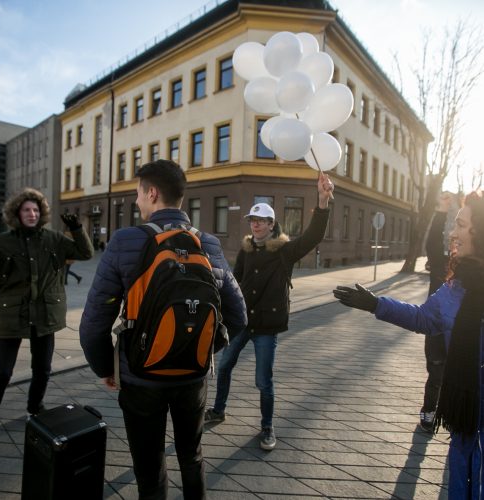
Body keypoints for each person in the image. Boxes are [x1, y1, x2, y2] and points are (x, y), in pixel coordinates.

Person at [79, 160, 247, 500]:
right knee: (191, 456)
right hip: (193, 376)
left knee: (150, 466)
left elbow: (93, 324)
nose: (137, 201)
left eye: (138, 193)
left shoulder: (125, 241)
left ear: (152, 193)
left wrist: (106, 368)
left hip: (141, 377)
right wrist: (196, 347)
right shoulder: (209, 244)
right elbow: (238, 315)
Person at [333, 191, 484, 498]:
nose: (454, 233)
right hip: (466, 416)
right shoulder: (455, 287)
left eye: (461, 224)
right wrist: (376, 304)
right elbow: (422, 318)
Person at [204, 173, 334, 451]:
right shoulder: (246, 249)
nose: (256, 225)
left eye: (261, 221)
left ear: (272, 224)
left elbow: (312, 236)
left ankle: (267, 427)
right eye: (253, 221)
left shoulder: (285, 250)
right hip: (242, 323)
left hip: (267, 325)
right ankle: (218, 409)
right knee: (224, 366)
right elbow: (234, 283)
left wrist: (322, 202)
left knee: (263, 380)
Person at [0, 188, 93, 429]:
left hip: (44, 315)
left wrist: (76, 229)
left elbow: (86, 253)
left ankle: (35, 407)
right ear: (16, 213)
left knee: (42, 369)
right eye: (26, 209)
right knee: (1, 373)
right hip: (11, 316)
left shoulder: (53, 238)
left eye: (35, 209)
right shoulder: (1, 242)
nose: (32, 213)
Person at [419, 192, 452, 432]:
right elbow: (432, 243)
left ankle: (453, 415)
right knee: (437, 375)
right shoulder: (442, 266)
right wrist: (441, 211)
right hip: (438, 332)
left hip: (463, 336)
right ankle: (429, 411)